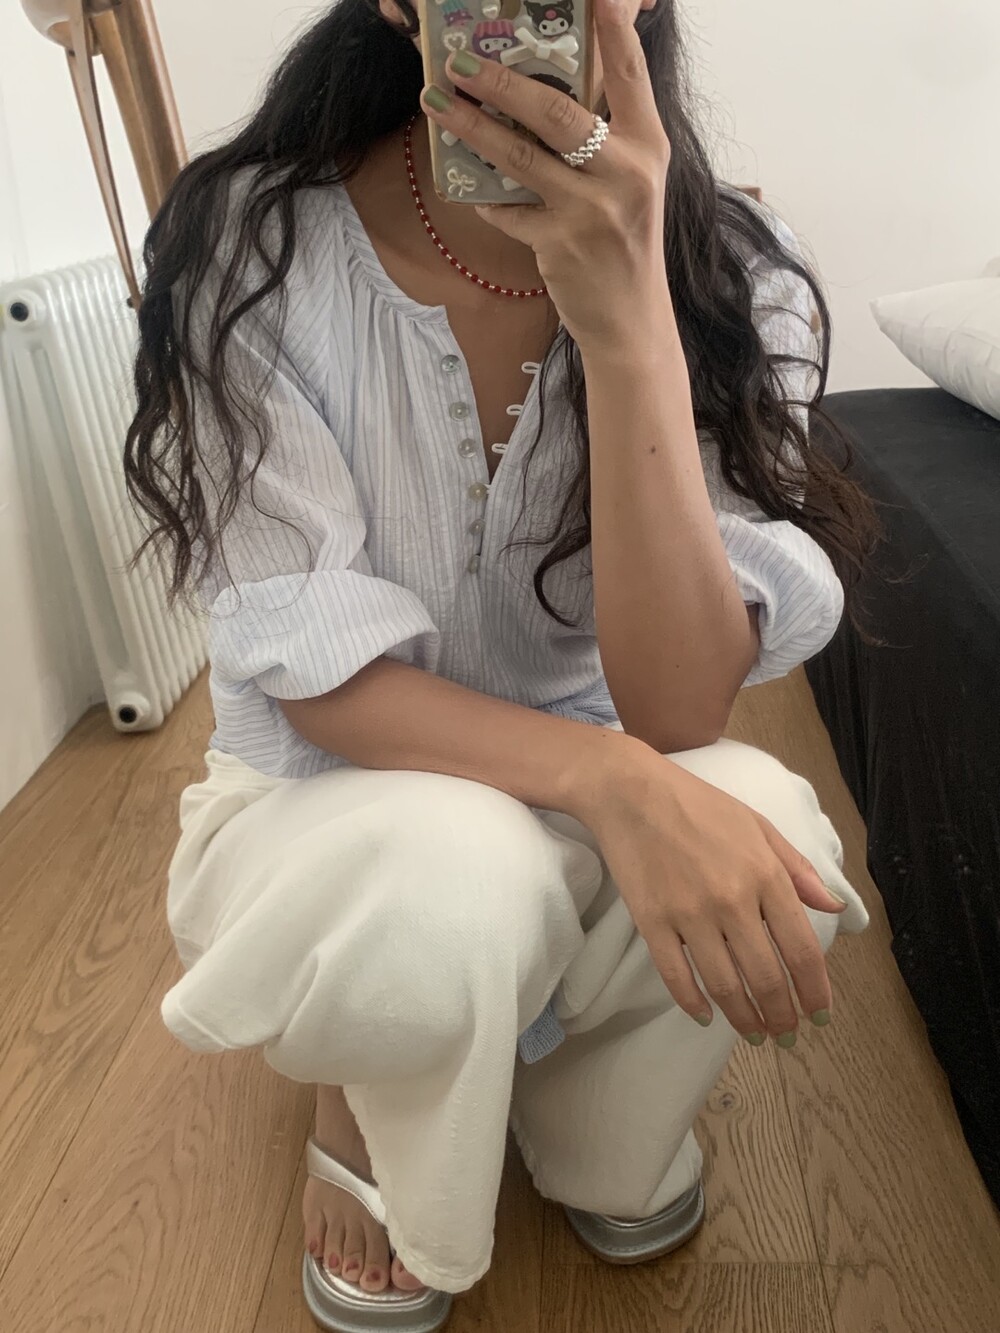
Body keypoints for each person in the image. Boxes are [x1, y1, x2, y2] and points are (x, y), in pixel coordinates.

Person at [124, 0, 878, 1327]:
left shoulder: (741, 273)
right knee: (449, 877)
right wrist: (613, 782)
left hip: (585, 779)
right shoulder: (252, 243)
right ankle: (379, 1085)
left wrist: (629, 321)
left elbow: (677, 707)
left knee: (776, 833)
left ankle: (573, 1106)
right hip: (324, 808)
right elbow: (322, 676)